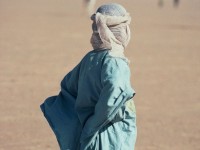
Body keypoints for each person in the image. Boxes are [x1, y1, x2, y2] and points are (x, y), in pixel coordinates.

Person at [40, 3, 137, 150]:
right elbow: (116, 93)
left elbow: (68, 88)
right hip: (108, 136)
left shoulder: (90, 58)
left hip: (86, 133)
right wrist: (93, 125)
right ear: (121, 31)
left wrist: (81, 121)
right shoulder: (116, 62)